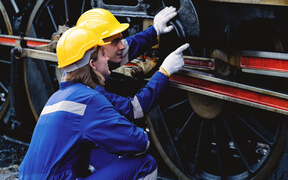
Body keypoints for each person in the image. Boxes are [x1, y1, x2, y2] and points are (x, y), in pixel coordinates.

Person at [18, 26, 189, 179]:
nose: (107, 59)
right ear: (92, 64)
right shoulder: (89, 99)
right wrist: (164, 72)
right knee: (145, 163)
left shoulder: (56, 97)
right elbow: (140, 143)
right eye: (102, 54)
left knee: (99, 155)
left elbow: (75, 158)